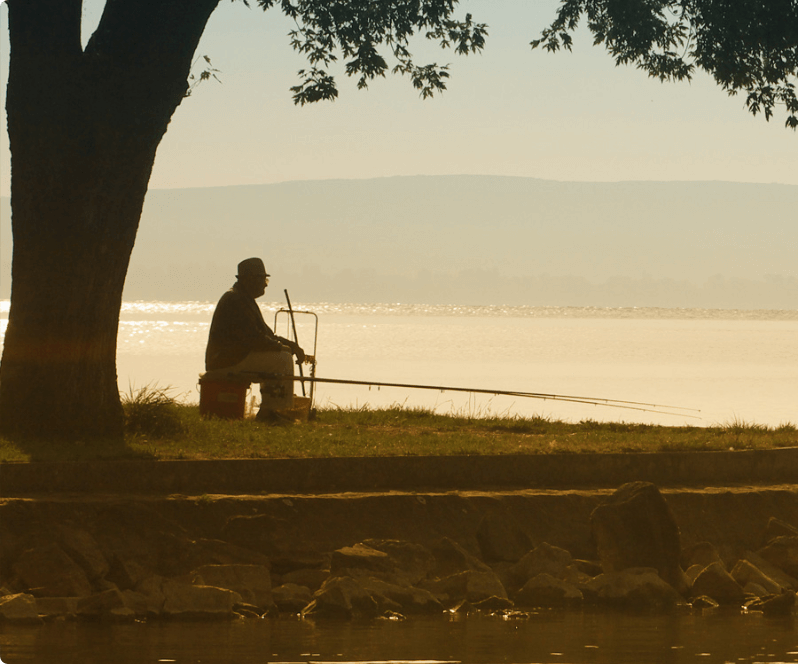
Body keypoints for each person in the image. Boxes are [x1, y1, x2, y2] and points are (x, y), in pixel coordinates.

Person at [204, 257, 305, 421]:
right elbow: (254, 340)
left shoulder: (243, 299)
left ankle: (271, 410)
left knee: (280, 354)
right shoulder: (235, 300)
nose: (265, 284)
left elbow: (267, 336)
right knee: (282, 359)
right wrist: (283, 348)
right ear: (249, 279)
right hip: (225, 362)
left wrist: (291, 345)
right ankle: (273, 411)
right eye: (262, 279)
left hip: (231, 359)